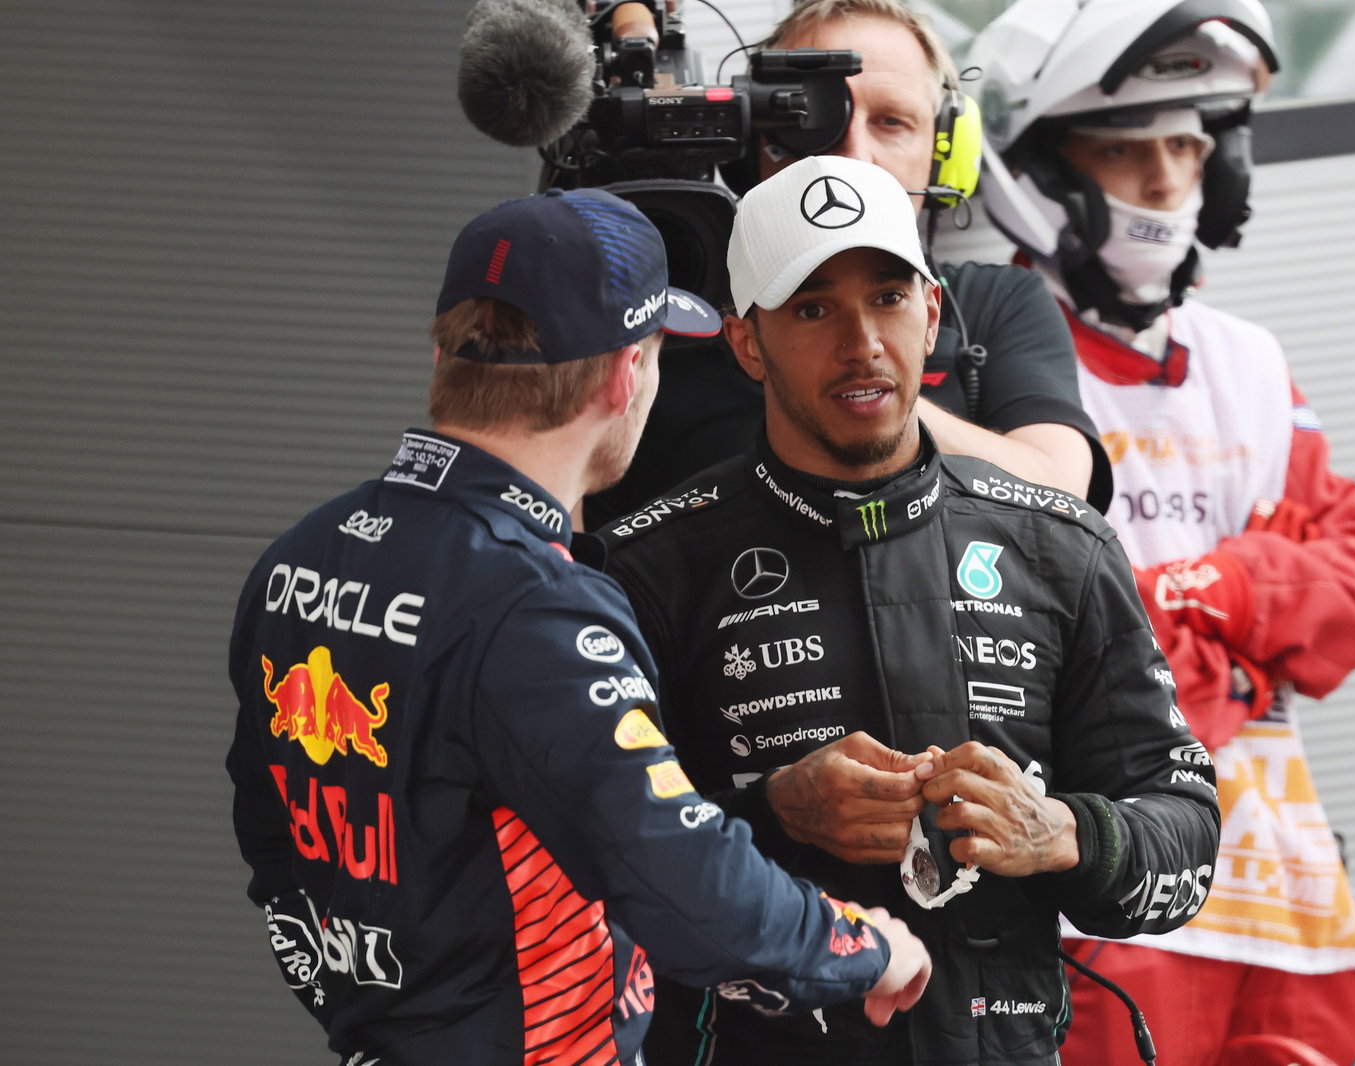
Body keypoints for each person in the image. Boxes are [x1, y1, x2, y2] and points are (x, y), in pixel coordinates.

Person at [225, 187, 932, 1066]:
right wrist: (862, 948)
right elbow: (682, 883)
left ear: (443, 351)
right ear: (622, 376)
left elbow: (272, 835)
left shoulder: (304, 555)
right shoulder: (534, 603)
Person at [601, 154, 1222, 1066]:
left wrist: (1063, 836)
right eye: (812, 309)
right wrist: (769, 815)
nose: (862, 344)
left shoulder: (1061, 547)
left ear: (931, 314)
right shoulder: (648, 567)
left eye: (888, 298)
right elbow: (586, 861)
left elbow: (1189, 835)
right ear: (746, 344)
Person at [968, 2, 1355, 1063]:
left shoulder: (1246, 361)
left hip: (1281, 902)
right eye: (1124, 150)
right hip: (1100, 902)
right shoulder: (994, 366)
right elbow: (1043, 661)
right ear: (1046, 170)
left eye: (1187, 146)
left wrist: (1201, 592)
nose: (1166, 182)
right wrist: (1248, 641)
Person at [584, 0, 1110, 527]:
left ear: (945, 148)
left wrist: (856, 388)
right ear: (753, 148)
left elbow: (1060, 492)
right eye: (810, 118)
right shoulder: (660, 308)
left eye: (892, 121)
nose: (853, 155)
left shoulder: (997, 301)